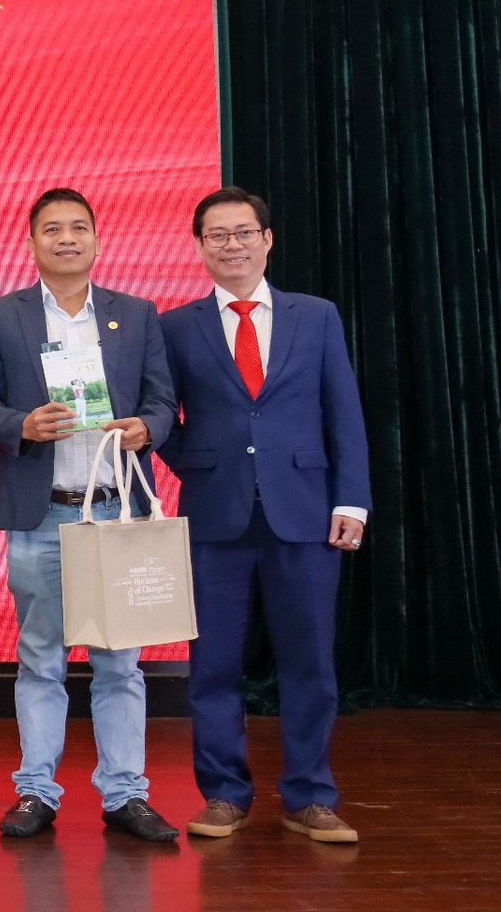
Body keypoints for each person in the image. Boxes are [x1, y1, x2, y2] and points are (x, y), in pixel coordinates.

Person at [0, 187, 181, 843]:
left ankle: (125, 794)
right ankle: (36, 790)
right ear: (31, 242)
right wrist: (21, 424)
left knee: (120, 663)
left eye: (78, 227)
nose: (66, 238)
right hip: (41, 515)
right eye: (52, 228)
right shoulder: (0, 315)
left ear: (96, 239)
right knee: (40, 659)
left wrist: (147, 427)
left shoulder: (135, 315)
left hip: (117, 513)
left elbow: (163, 402)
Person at [158, 187, 370, 843]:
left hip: (306, 514)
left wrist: (351, 499)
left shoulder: (317, 316)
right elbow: (162, 416)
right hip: (214, 516)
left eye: (244, 232)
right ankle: (224, 794)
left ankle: (311, 796)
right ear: (200, 247)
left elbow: (344, 412)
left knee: (310, 664)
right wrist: (198, 464)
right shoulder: (176, 326)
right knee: (213, 666)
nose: (233, 245)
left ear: (267, 239)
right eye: (217, 235)